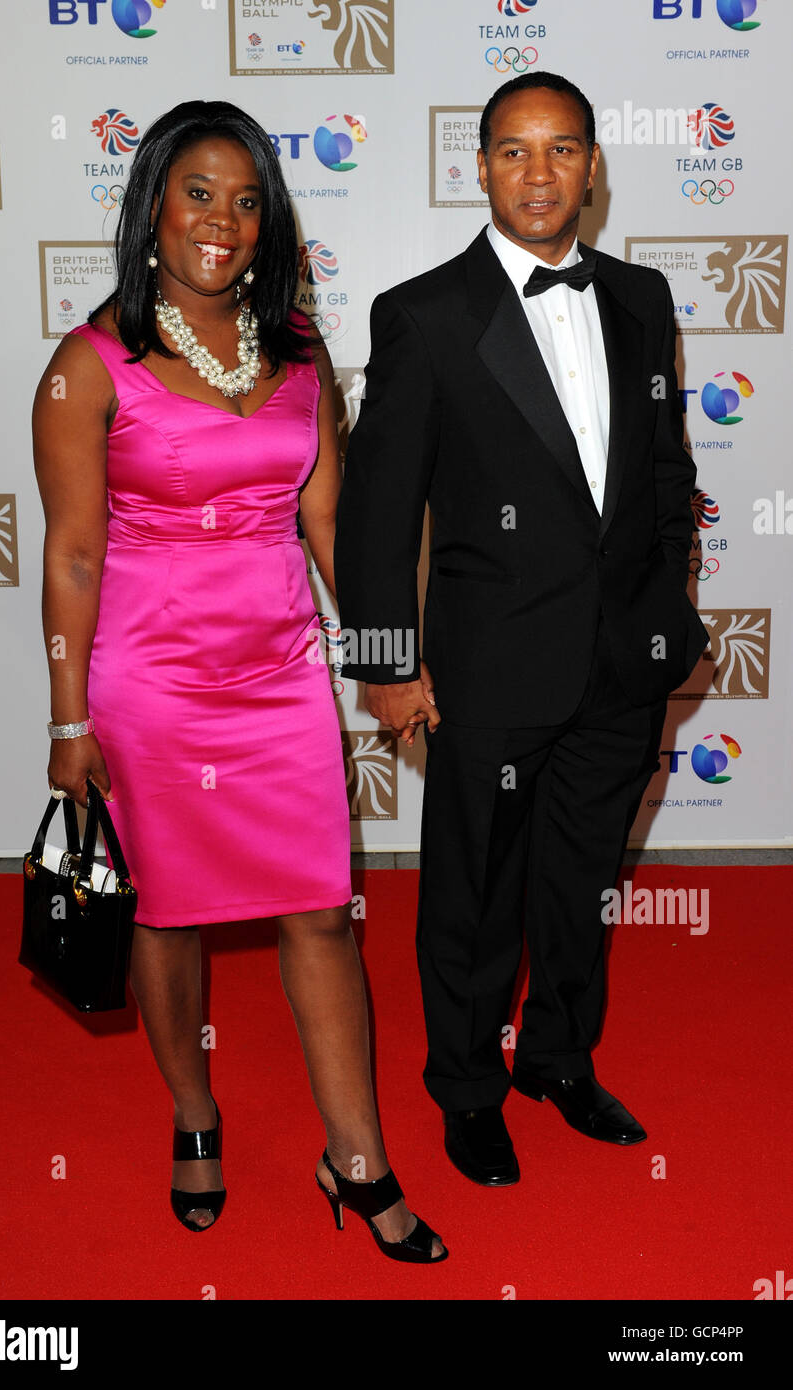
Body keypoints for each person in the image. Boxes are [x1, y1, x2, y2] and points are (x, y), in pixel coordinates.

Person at [32, 99, 445, 1261]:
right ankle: (194, 1112)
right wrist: (69, 720)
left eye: (247, 198)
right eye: (198, 193)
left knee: (320, 909)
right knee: (163, 919)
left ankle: (354, 1157)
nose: (222, 220)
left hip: (276, 674)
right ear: (153, 206)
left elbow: (332, 529)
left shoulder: (304, 352)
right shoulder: (90, 361)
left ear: (271, 219)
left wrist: (385, 665)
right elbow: (70, 553)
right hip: (148, 681)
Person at [334, 73, 708, 1187]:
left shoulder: (641, 298)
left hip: (618, 667)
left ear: (592, 168)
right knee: (475, 892)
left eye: (559, 151)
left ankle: (555, 1056)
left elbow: (664, 470)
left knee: (581, 885)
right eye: (511, 151)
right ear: (479, 166)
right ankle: (464, 1087)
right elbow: (375, 511)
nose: (536, 173)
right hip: (486, 671)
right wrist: (388, 668)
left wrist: (664, 615)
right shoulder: (425, 315)